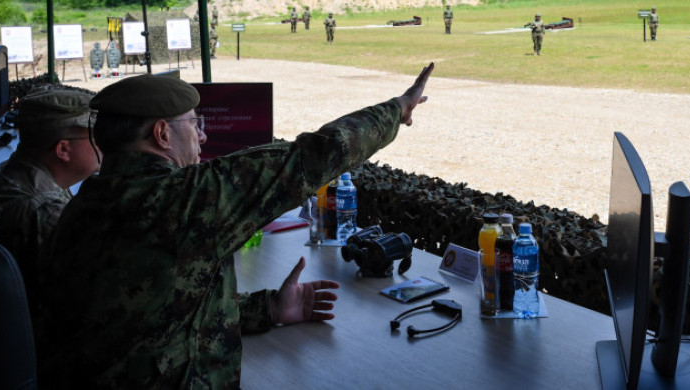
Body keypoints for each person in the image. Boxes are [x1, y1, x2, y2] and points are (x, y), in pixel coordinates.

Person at [39, 64, 433, 389]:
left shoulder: (86, 202)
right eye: (194, 123)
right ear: (162, 134)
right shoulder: (185, 199)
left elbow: (160, 310)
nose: (203, 134)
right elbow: (314, 156)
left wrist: (269, 309)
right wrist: (397, 108)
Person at [0, 88, 99, 299]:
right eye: (95, 136)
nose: (103, 144)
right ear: (63, 150)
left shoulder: (4, 174)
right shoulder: (45, 211)